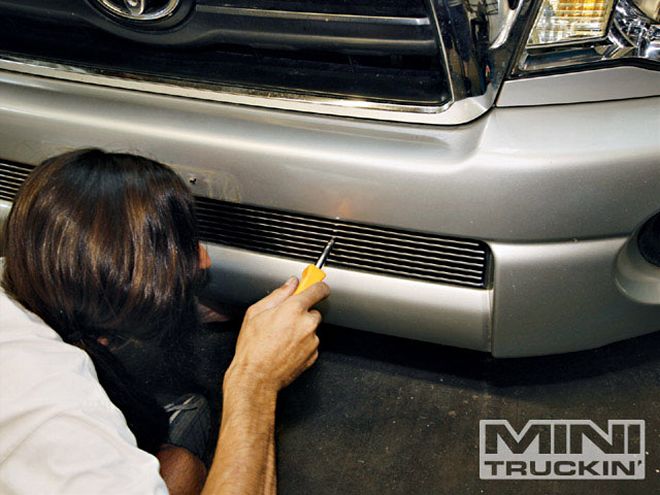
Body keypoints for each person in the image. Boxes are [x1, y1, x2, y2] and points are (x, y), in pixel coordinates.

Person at [0, 149, 330, 494]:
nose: (203, 258)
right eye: (181, 245)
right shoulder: (62, 426)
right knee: (182, 467)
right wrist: (255, 381)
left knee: (178, 466)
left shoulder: (21, 275)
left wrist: (170, 302)